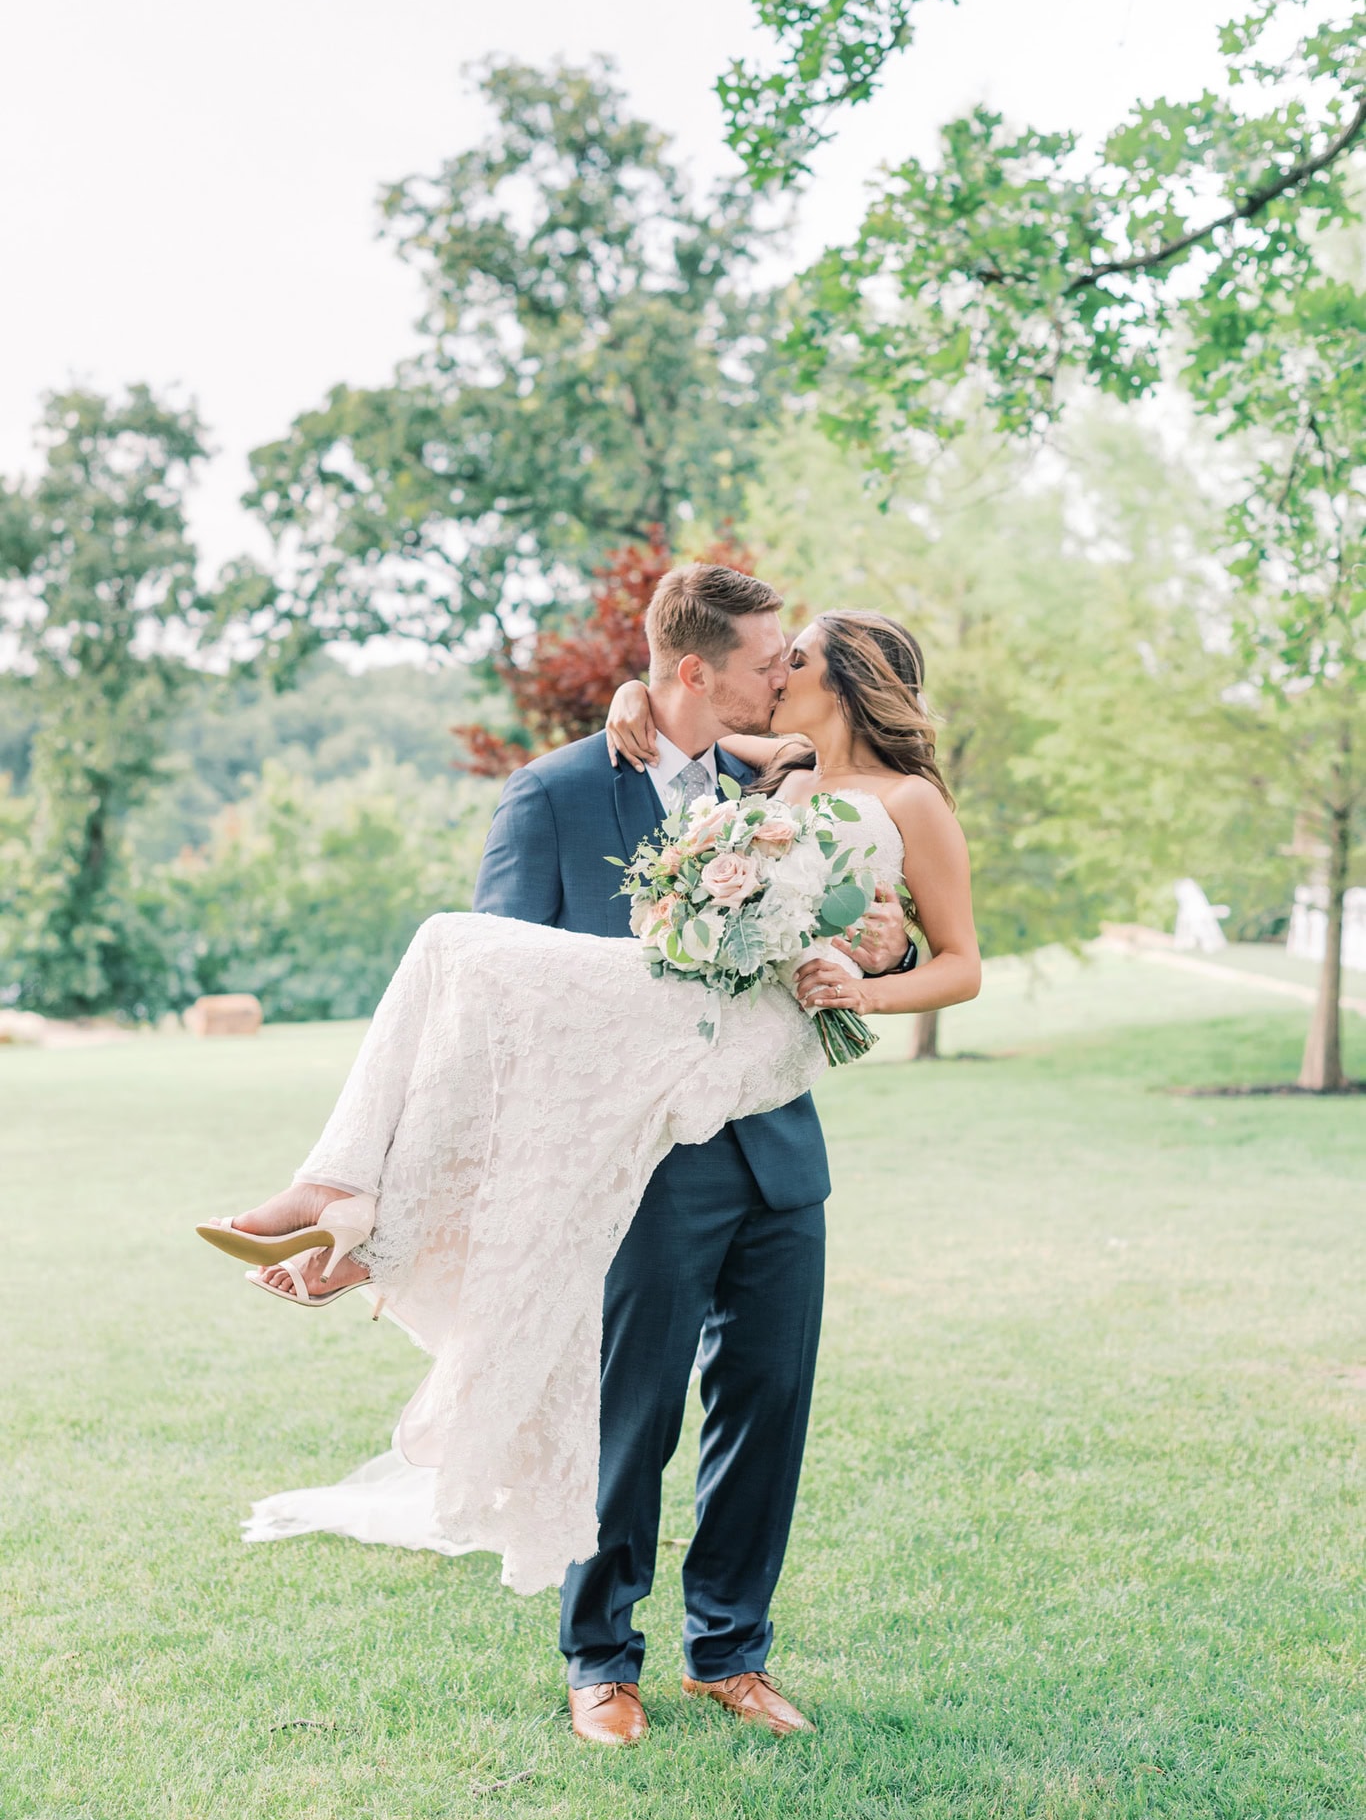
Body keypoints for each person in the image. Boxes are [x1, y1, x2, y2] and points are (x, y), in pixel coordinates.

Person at [196, 566, 980, 1747]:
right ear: (696, 671)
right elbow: (497, 1020)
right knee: (627, 1416)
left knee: (766, 1413)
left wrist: (876, 951)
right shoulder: (563, 791)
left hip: (775, 1153)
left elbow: (892, 924)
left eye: (795, 659)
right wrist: (632, 698)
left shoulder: (771, 780)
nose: (779, 673)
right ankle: (599, 1658)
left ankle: (731, 1652)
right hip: (637, 1162)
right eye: (768, 659)